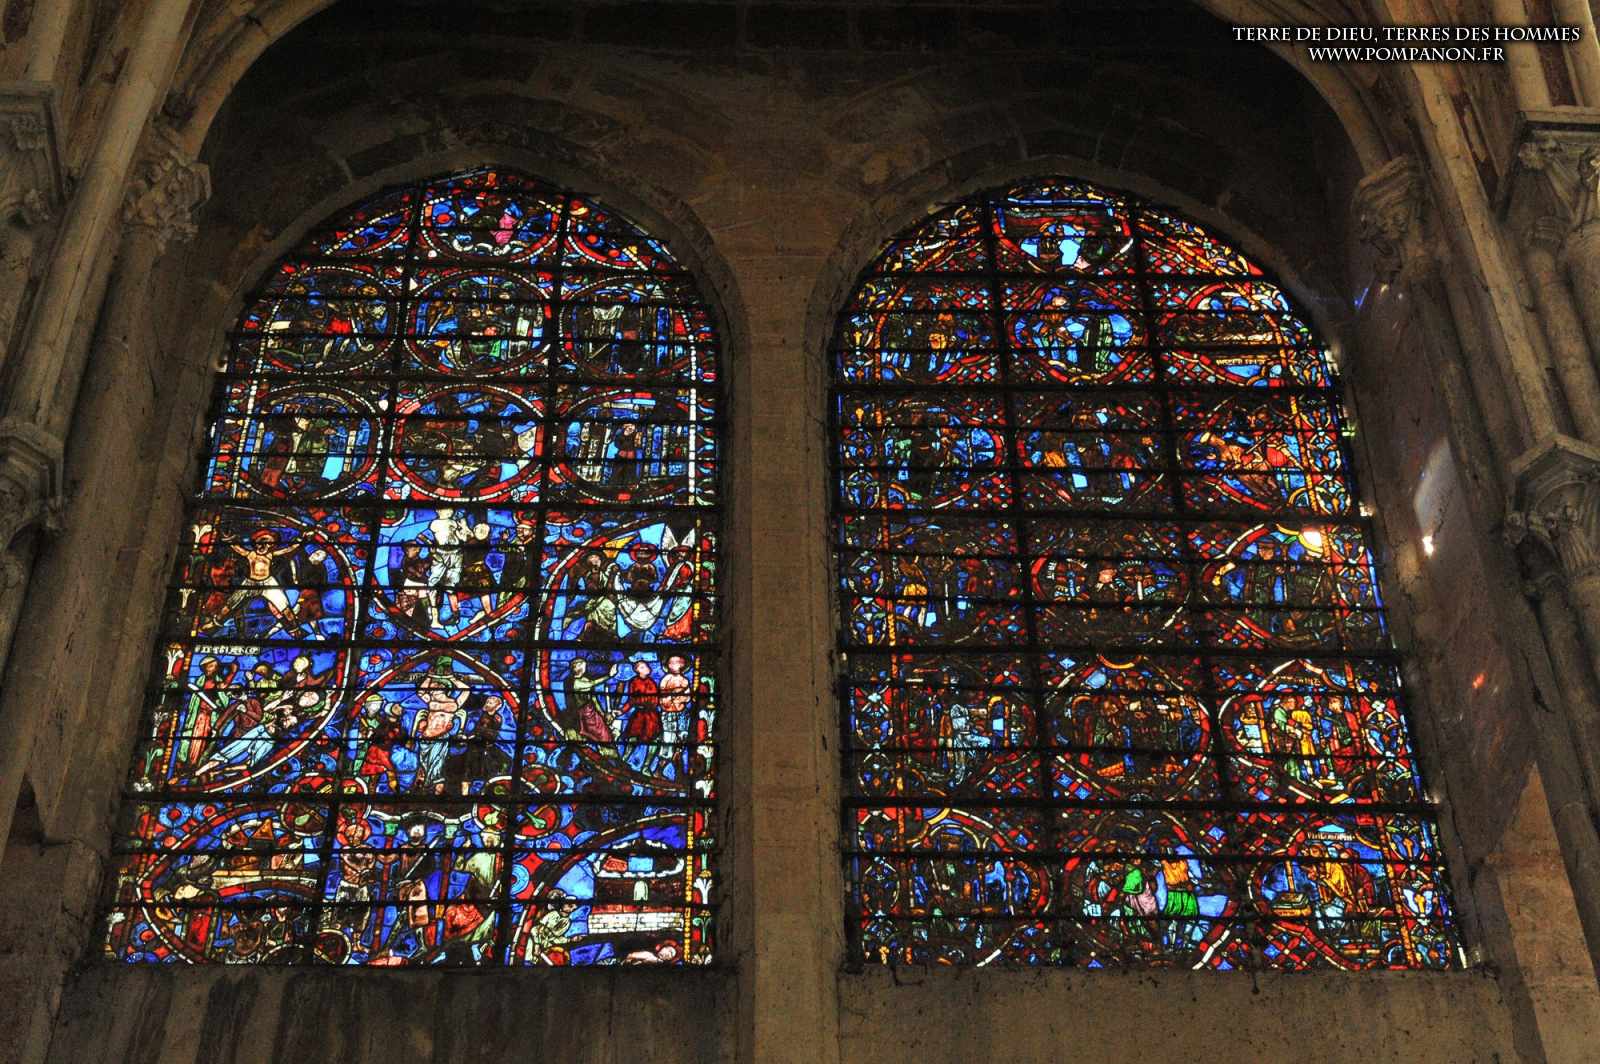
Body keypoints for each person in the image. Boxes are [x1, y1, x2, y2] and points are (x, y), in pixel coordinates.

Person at [621, 661, 661, 773]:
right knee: (632, 738)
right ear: (637, 670)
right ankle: (623, 760)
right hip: (639, 714)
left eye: (646, 666)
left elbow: (656, 700)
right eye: (643, 667)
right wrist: (621, 711)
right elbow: (631, 700)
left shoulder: (652, 682)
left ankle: (646, 767)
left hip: (652, 715)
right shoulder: (634, 682)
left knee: (655, 740)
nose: (647, 668)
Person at [565, 658, 619, 743]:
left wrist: (602, 714)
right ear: (577, 668)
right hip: (583, 714)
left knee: (604, 733)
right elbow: (592, 684)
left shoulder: (585, 679)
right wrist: (609, 676)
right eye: (583, 666)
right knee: (593, 734)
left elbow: (594, 699)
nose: (585, 668)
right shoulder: (575, 683)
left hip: (592, 711)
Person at [658, 655, 692, 747]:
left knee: (683, 735)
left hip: (682, 713)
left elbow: (687, 697)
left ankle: (678, 752)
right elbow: (662, 695)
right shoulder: (666, 679)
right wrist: (673, 694)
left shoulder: (684, 680)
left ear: (683, 665)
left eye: (677, 662)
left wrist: (680, 698)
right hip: (668, 713)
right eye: (671, 663)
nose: (673, 665)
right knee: (668, 737)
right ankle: (667, 754)